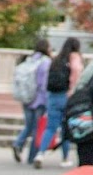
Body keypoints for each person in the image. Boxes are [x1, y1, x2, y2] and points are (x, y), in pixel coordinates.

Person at [34, 36, 82, 167]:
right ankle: (65, 158)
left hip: (53, 96)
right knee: (66, 129)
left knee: (50, 128)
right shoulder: (74, 58)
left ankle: (40, 154)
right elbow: (76, 74)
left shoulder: (56, 59)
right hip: (66, 96)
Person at [11, 37, 51, 163]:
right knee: (37, 128)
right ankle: (32, 156)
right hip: (39, 99)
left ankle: (18, 143)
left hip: (26, 97)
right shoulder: (45, 62)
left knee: (28, 125)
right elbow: (43, 84)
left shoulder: (29, 60)